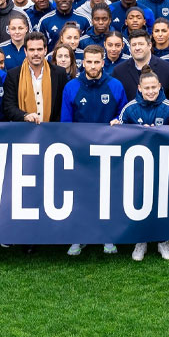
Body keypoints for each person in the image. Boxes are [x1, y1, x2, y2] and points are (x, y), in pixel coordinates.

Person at [60, 44, 126, 256]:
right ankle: (80, 237)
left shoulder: (115, 85)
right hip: (81, 151)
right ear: (82, 63)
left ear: (103, 62)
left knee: (107, 195)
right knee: (81, 195)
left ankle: (108, 236)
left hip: (109, 151)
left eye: (97, 62)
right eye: (89, 62)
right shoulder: (71, 87)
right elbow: (66, 123)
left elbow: (123, 118)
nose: (93, 66)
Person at [115, 65, 169, 261]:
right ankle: (140, 241)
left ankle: (163, 242)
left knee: (162, 203)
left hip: (162, 165)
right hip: (138, 168)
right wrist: (116, 126)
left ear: (160, 87)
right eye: (147, 88)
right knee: (138, 202)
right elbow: (119, 133)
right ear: (140, 88)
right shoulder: (130, 108)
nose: (151, 91)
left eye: (154, 87)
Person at [2, 32, 69, 123]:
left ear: (45, 50)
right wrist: (25, 116)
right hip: (24, 131)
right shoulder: (13, 75)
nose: (36, 53)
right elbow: (8, 106)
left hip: (52, 131)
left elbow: (63, 105)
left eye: (39, 49)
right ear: (25, 51)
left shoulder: (59, 73)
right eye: (32, 50)